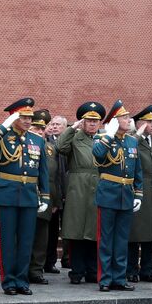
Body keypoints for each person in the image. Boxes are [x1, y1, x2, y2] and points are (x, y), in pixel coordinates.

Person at [0, 98, 48, 295]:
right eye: (23, 117)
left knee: (26, 241)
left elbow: (42, 171)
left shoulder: (37, 140)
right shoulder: (2, 136)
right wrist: (3, 127)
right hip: (8, 195)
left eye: (30, 118)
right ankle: (9, 281)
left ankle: (22, 280)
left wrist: (44, 197)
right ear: (13, 118)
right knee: (8, 241)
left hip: (29, 195)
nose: (28, 121)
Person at [93, 101, 143, 292]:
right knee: (106, 240)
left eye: (128, 116)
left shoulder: (131, 141)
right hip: (108, 194)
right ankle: (105, 278)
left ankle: (119, 278)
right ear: (114, 121)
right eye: (124, 117)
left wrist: (138, 193)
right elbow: (97, 155)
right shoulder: (102, 138)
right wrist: (109, 134)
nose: (128, 120)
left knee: (122, 240)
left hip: (126, 195)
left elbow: (137, 169)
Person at [58, 101, 103, 284]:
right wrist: (72, 128)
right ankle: (76, 271)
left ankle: (92, 271)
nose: (92, 124)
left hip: (98, 186)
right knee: (76, 232)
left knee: (93, 232)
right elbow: (60, 147)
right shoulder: (75, 138)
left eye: (95, 121)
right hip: (77, 188)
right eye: (88, 121)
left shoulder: (103, 139)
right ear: (82, 122)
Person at [129, 106, 152, 282]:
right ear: (139, 124)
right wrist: (138, 134)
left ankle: (147, 271)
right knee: (135, 233)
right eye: (148, 121)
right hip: (140, 188)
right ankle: (131, 270)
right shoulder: (132, 140)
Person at [32, 113, 65, 279]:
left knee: (41, 238)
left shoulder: (51, 148)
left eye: (42, 128)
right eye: (35, 128)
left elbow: (56, 176)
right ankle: (23, 270)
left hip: (46, 198)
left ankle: (37, 270)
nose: (39, 131)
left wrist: (56, 201)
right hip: (27, 196)